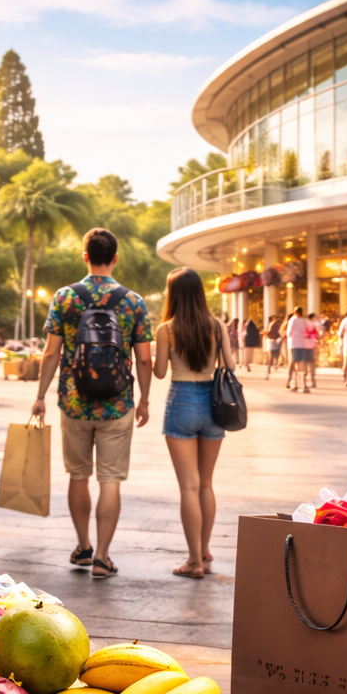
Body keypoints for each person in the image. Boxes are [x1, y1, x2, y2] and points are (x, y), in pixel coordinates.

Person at [32, 228, 153, 580]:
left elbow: (51, 352)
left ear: (85, 256)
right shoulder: (133, 301)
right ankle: (103, 557)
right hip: (117, 405)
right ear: (115, 258)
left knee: (78, 475)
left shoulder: (66, 298)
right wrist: (144, 398)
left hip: (74, 401)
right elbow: (144, 359)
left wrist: (40, 396)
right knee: (111, 480)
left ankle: (83, 546)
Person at [152, 268, 233, 578]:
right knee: (206, 483)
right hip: (213, 403)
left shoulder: (166, 329)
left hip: (181, 401)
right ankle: (204, 550)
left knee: (189, 485)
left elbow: (160, 372)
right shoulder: (217, 326)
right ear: (200, 292)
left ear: (173, 294)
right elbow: (231, 365)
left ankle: (193, 562)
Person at [285, 307, 314, 392]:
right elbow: (307, 331)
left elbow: (288, 332)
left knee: (293, 363)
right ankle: (301, 384)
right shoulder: (303, 320)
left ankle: (291, 382)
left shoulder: (292, 320)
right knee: (300, 364)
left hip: (293, 344)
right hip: (300, 344)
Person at [264, 314, 284, 380]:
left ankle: (268, 371)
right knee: (275, 355)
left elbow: (268, 332)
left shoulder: (272, 324)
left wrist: (267, 335)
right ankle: (275, 366)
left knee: (270, 357)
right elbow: (280, 333)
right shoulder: (279, 324)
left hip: (271, 341)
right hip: (276, 341)